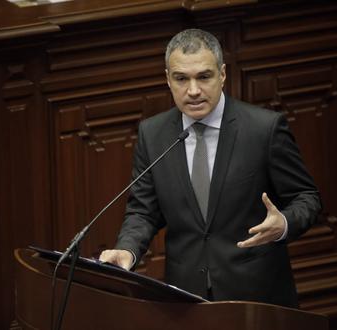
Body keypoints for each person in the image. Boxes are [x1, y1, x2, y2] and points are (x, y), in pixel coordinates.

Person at [99, 29, 321, 308]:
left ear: (222, 74)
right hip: (184, 298)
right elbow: (143, 210)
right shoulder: (152, 134)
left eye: (204, 77)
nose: (193, 90)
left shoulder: (263, 129)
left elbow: (307, 197)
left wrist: (285, 224)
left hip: (255, 297)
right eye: (181, 79)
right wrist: (126, 250)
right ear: (168, 79)